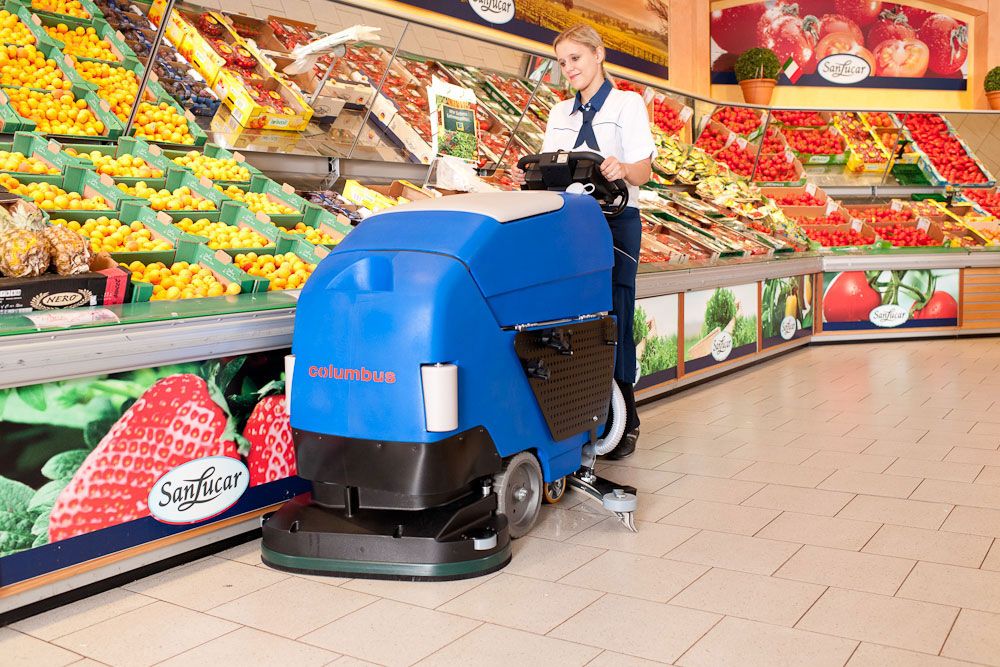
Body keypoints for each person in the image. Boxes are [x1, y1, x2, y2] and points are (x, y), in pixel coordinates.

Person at [511, 25, 654, 460]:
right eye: (562, 62)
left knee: (614, 317)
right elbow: (551, 172)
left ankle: (625, 419)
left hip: (615, 224)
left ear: (598, 54)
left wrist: (621, 168)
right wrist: (527, 175)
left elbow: (644, 171)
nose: (568, 68)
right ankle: (577, 416)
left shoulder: (627, 104)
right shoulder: (559, 113)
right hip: (568, 228)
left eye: (575, 58)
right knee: (574, 318)